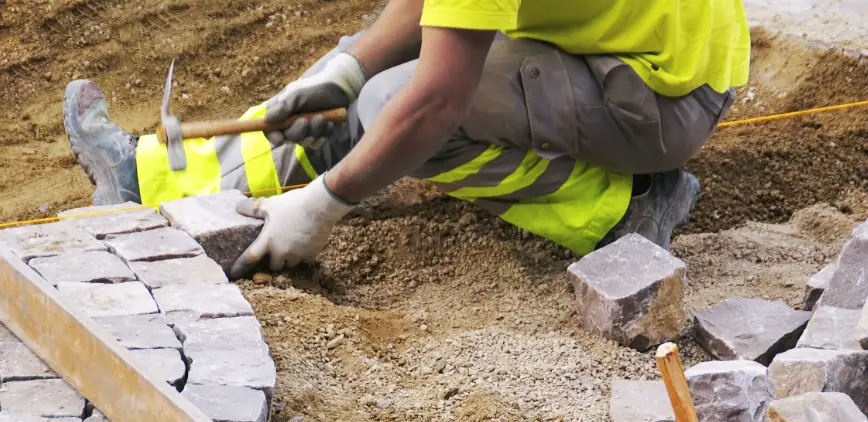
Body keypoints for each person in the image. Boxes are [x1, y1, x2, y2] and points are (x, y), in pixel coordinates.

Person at [63, 0, 750, 277]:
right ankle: (151, 178)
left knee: (395, 103)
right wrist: (346, 65)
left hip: (659, 94)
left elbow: (435, 103)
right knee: (366, 67)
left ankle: (619, 212)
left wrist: (324, 202)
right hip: (627, 42)